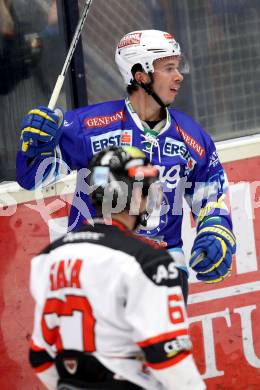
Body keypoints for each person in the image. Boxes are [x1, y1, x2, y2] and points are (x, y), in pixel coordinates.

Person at [17, 29, 236, 285]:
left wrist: (216, 231)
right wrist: (35, 145)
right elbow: (31, 178)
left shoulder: (193, 138)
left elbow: (212, 199)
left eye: (178, 67)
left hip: (162, 269)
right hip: (94, 266)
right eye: (168, 68)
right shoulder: (89, 126)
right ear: (140, 75)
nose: (179, 77)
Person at [28, 146, 205, 390]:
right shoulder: (148, 261)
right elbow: (170, 357)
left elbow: (40, 356)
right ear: (133, 196)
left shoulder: (47, 258)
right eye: (146, 188)